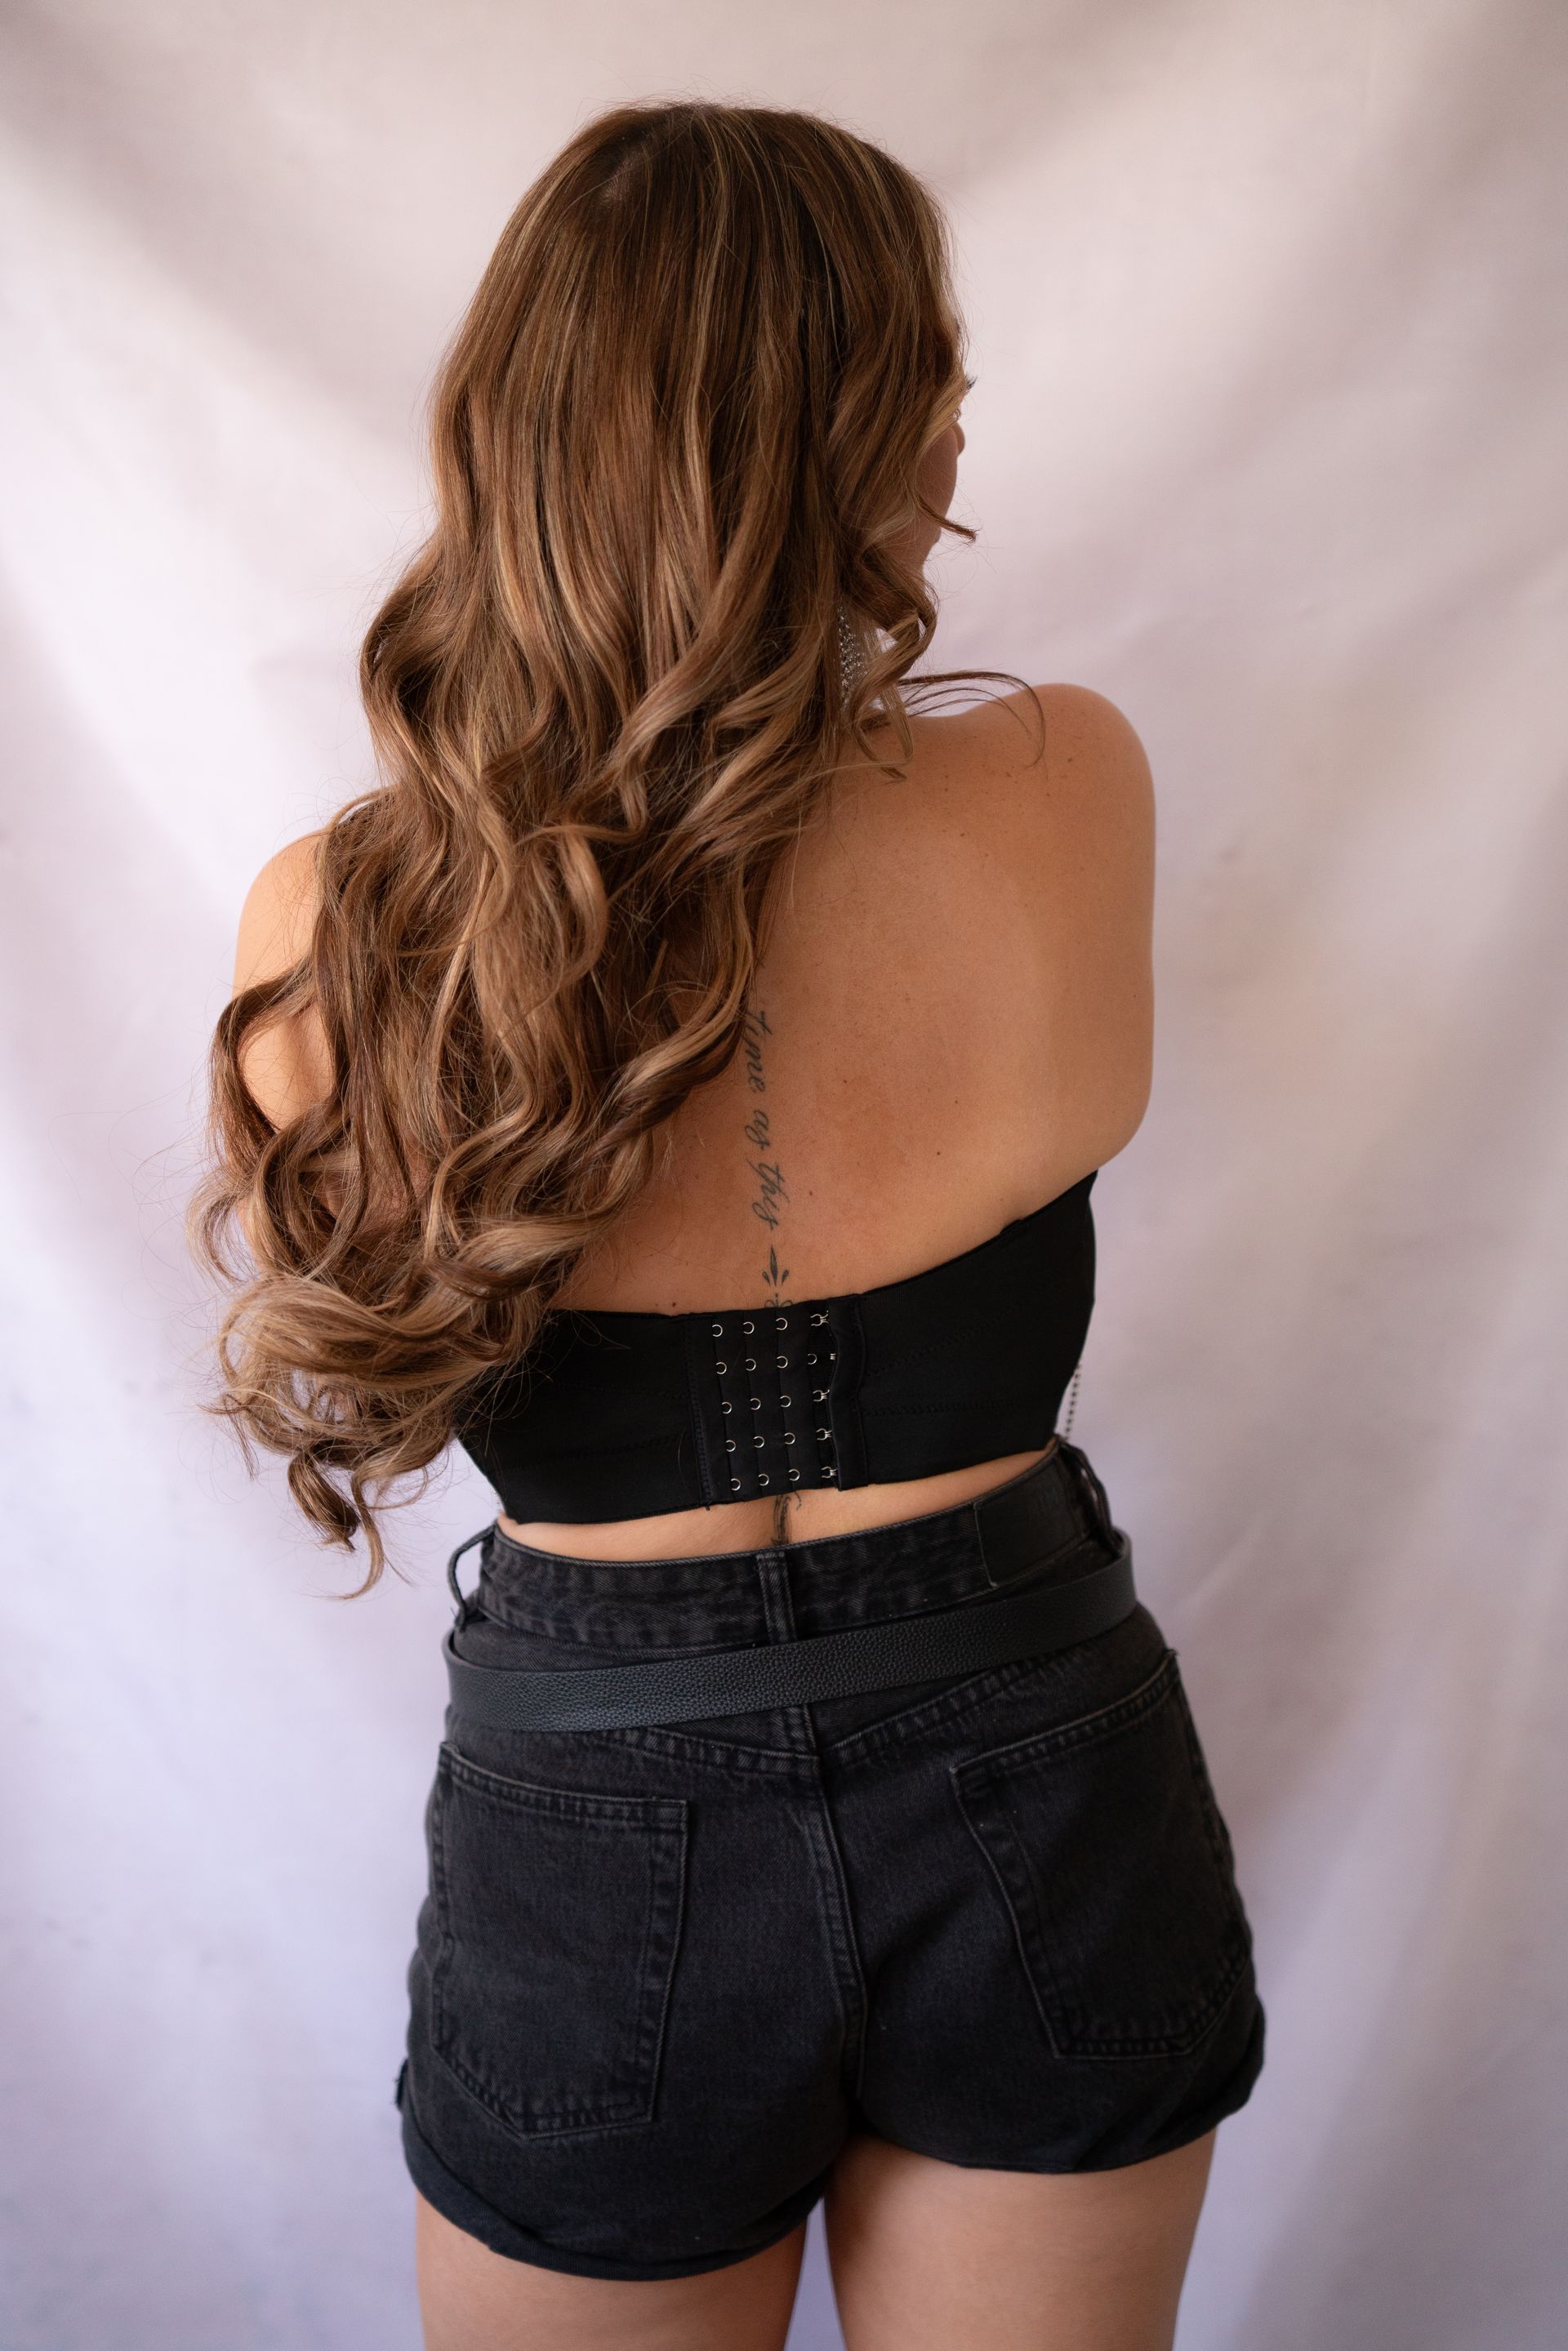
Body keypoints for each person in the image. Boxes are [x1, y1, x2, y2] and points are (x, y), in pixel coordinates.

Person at [194, 98, 1265, 2351]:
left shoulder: (350, 925)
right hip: (1036, 1761)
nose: (971, 404)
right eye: (930, 357)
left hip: (599, 1817)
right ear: (830, 418)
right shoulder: (1065, 779)